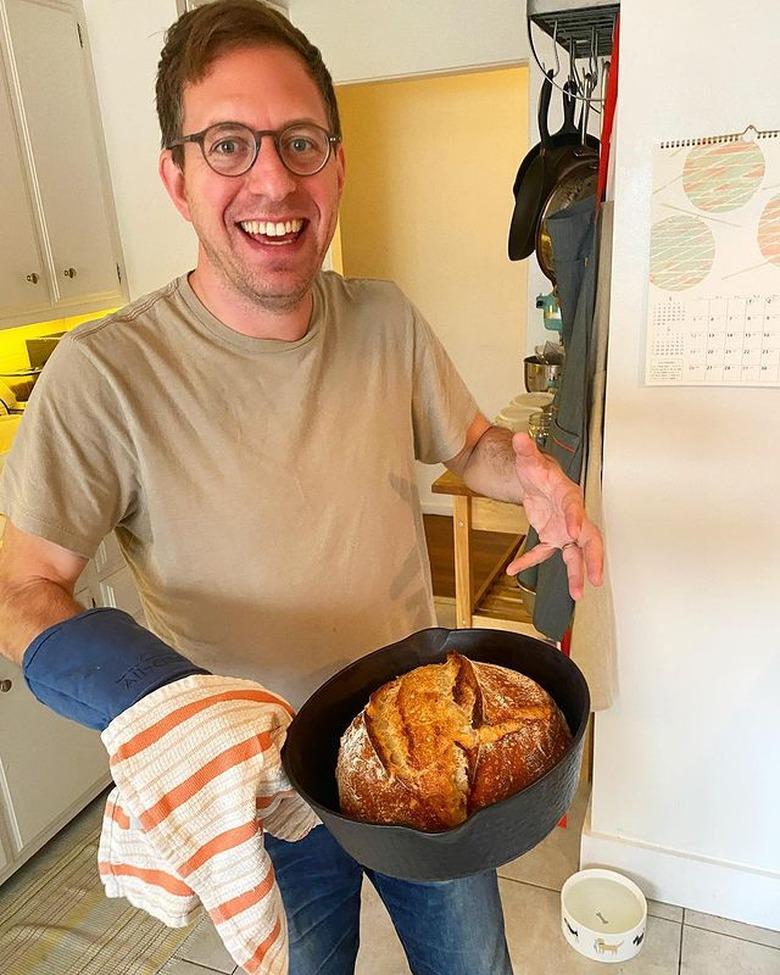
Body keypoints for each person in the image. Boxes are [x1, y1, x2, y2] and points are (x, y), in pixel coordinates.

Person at [0, 2, 603, 974]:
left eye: (301, 141)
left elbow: (473, 443)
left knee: (473, 965)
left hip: (424, 744)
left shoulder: (383, 321)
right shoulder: (101, 374)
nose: (273, 177)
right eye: (228, 143)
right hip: (264, 794)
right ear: (177, 175)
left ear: (337, 162)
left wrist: (525, 467)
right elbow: (21, 586)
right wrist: (158, 702)